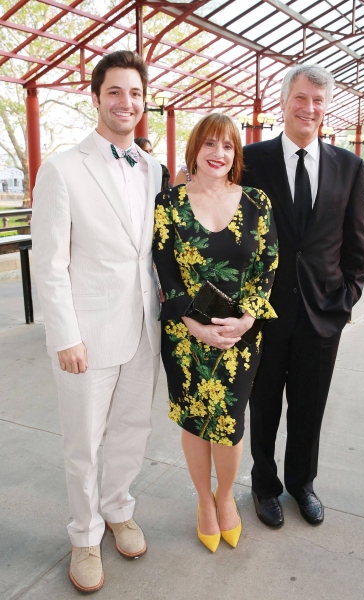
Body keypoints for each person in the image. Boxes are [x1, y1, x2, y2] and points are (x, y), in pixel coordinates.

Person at [31, 50, 162, 592]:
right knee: (83, 442)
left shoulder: (154, 168)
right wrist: (65, 335)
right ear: (96, 97)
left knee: (132, 431)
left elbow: (152, 254)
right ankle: (84, 538)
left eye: (134, 92)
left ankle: (117, 508)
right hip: (87, 336)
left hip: (144, 330)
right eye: (114, 92)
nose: (125, 102)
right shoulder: (62, 169)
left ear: (143, 100)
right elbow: (50, 262)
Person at [242, 64, 364, 529]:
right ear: (283, 100)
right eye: (301, 98)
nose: (308, 109)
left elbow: (357, 249)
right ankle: (264, 485)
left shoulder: (350, 167)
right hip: (264, 316)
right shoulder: (250, 160)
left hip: (323, 316)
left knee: (310, 406)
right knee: (265, 407)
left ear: (326, 106)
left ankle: (302, 483)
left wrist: (343, 304)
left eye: (317, 100)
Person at [153, 113, 279, 552]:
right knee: (194, 420)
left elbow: (268, 267)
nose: (218, 154)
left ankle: (225, 497)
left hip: (240, 337)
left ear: (236, 154)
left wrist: (246, 319)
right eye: (209, 144)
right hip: (186, 337)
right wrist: (190, 322)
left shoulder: (257, 202)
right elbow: (165, 270)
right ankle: (203, 502)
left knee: (229, 423)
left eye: (227, 146)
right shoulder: (168, 203)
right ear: (195, 150)